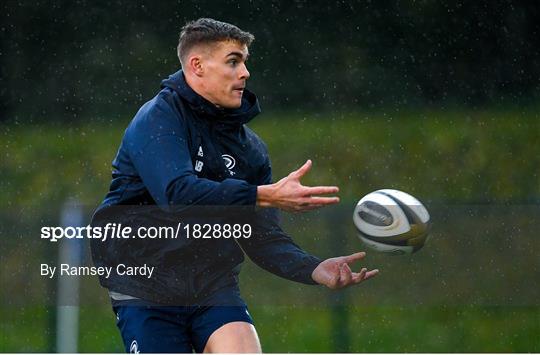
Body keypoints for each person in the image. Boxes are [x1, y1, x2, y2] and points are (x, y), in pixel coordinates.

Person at [90, 18, 379, 353]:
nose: (245, 73)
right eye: (233, 61)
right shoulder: (158, 118)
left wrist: (314, 268)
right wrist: (263, 195)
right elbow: (177, 195)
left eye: (245, 61)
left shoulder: (250, 149)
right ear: (197, 66)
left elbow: (261, 236)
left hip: (211, 283)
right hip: (145, 286)